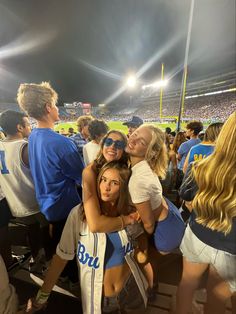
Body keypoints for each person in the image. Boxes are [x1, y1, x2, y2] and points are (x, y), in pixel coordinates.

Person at [24, 162, 148, 314]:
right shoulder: (78, 215)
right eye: (103, 179)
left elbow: (141, 239)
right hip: (101, 300)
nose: (106, 186)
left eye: (114, 182)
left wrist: (144, 255)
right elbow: (61, 259)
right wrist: (41, 298)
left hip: (132, 289)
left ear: (123, 187)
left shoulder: (129, 211)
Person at [17, 82, 84, 281]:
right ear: (48, 107)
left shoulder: (33, 136)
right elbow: (82, 178)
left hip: (47, 206)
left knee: (57, 245)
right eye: (55, 105)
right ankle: (71, 280)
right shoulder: (61, 142)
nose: (56, 109)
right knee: (69, 253)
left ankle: (62, 274)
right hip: (65, 208)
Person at [176, 112, 236, 314]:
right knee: (216, 298)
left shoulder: (202, 166)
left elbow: (186, 196)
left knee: (186, 284)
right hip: (230, 247)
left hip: (199, 234)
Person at [0, 110, 50, 272]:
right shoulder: (25, 147)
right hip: (35, 201)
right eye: (28, 124)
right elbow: (44, 175)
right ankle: (49, 262)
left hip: (16, 202)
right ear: (19, 127)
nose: (31, 127)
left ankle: (36, 260)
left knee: (32, 230)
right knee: (46, 231)